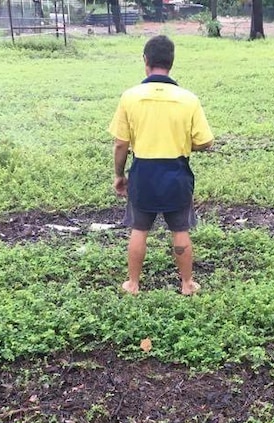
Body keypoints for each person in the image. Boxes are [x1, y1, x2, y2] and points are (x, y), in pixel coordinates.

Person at [108, 35, 214, 296]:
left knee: (139, 229)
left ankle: (132, 284)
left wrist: (119, 175)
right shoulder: (188, 99)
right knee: (180, 229)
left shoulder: (130, 97)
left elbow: (121, 144)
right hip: (176, 173)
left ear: (146, 61)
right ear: (171, 62)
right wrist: (183, 144)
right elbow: (206, 142)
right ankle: (187, 284)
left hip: (143, 173)